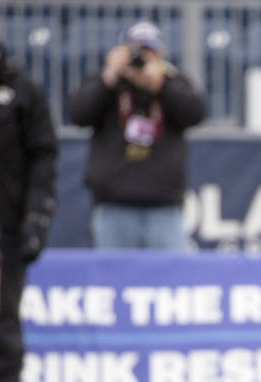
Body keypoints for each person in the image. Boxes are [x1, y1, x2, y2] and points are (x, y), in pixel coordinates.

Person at [0, 2, 58, 382]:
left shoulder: (21, 89)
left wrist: (35, 218)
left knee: (3, 326)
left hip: (2, 233)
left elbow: (43, 156)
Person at [66, 20, 206, 250]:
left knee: (168, 280)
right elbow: (78, 114)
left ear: (160, 55)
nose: (141, 59)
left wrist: (160, 85)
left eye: (149, 52)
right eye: (136, 51)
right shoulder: (107, 84)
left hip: (164, 206)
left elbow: (196, 114)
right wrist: (109, 77)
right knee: (114, 278)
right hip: (113, 205)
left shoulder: (173, 81)